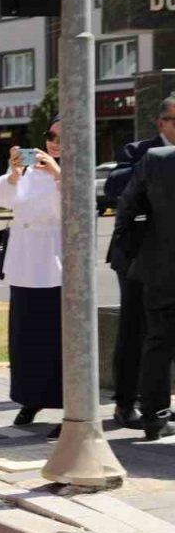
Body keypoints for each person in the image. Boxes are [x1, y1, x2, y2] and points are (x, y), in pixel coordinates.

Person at [0, 119, 64, 439]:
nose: (55, 143)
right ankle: (31, 398)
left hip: (56, 262)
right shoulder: (28, 174)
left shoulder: (73, 172)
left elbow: (78, 205)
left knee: (59, 341)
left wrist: (58, 174)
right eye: (51, 136)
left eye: (62, 137)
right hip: (24, 263)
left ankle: (70, 409)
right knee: (25, 338)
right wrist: (14, 172)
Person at [103, 96, 175, 429]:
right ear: (161, 122)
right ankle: (124, 404)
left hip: (165, 262)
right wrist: (152, 163)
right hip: (136, 260)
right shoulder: (140, 151)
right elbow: (116, 188)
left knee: (158, 336)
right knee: (134, 330)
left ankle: (156, 405)